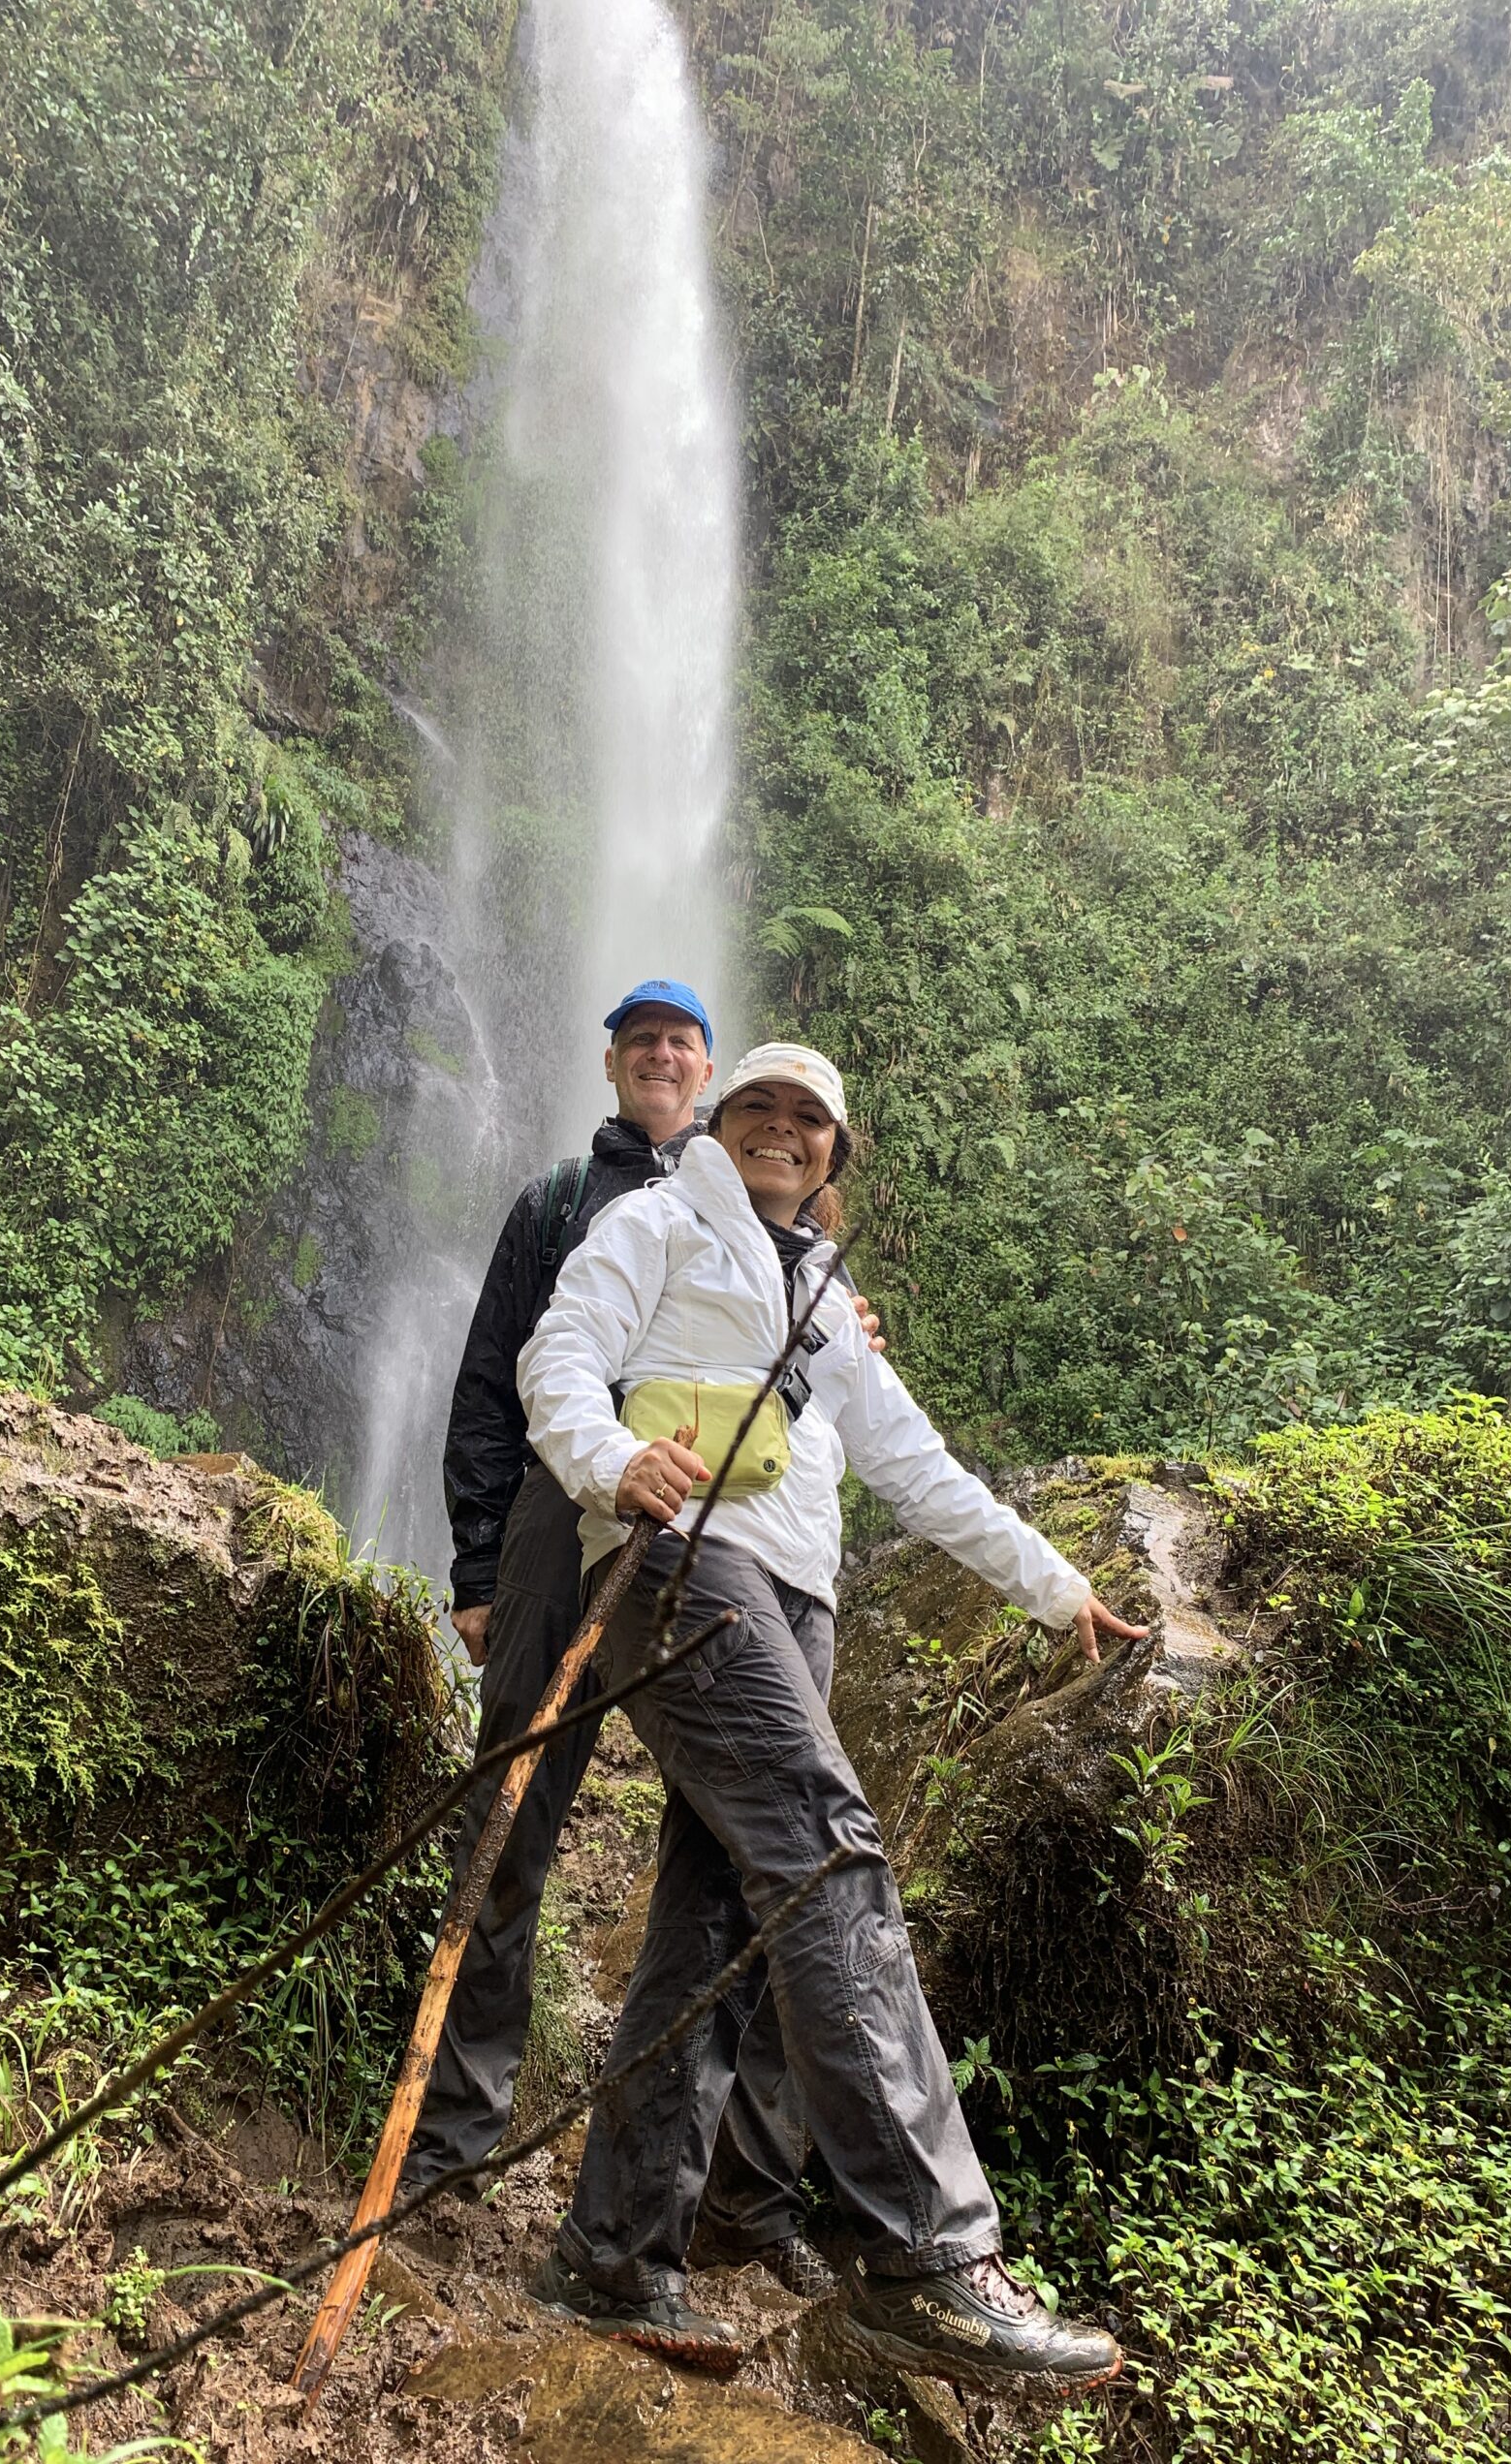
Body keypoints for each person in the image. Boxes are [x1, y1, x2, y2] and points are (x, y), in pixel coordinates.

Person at [518, 1041, 1148, 2392]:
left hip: (796, 1600)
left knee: (713, 1931)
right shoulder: (657, 1219)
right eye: (760, 1109)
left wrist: (1059, 1589)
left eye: (811, 1121)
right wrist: (615, 1458)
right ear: (719, 1122)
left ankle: (613, 2254)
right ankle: (925, 2255)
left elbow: (915, 1468)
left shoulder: (822, 1292)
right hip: (683, 1564)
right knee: (825, 1843)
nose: (784, 1133)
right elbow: (559, 1354)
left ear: (837, 1156)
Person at [404, 986, 873, 2295]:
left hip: (711, 1543)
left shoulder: (782, 1231)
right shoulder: (563, 1202)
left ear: (710, 1076)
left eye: (685, 1041)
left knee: (733, 1859)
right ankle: (451, 2136)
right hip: (571, 1516)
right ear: (611, 1063)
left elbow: (817, 1397)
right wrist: (480, 1561)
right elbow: (501, 1369)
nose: (664, 1056)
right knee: (514, 1810)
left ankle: (714, 2190)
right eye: (642, 1039)